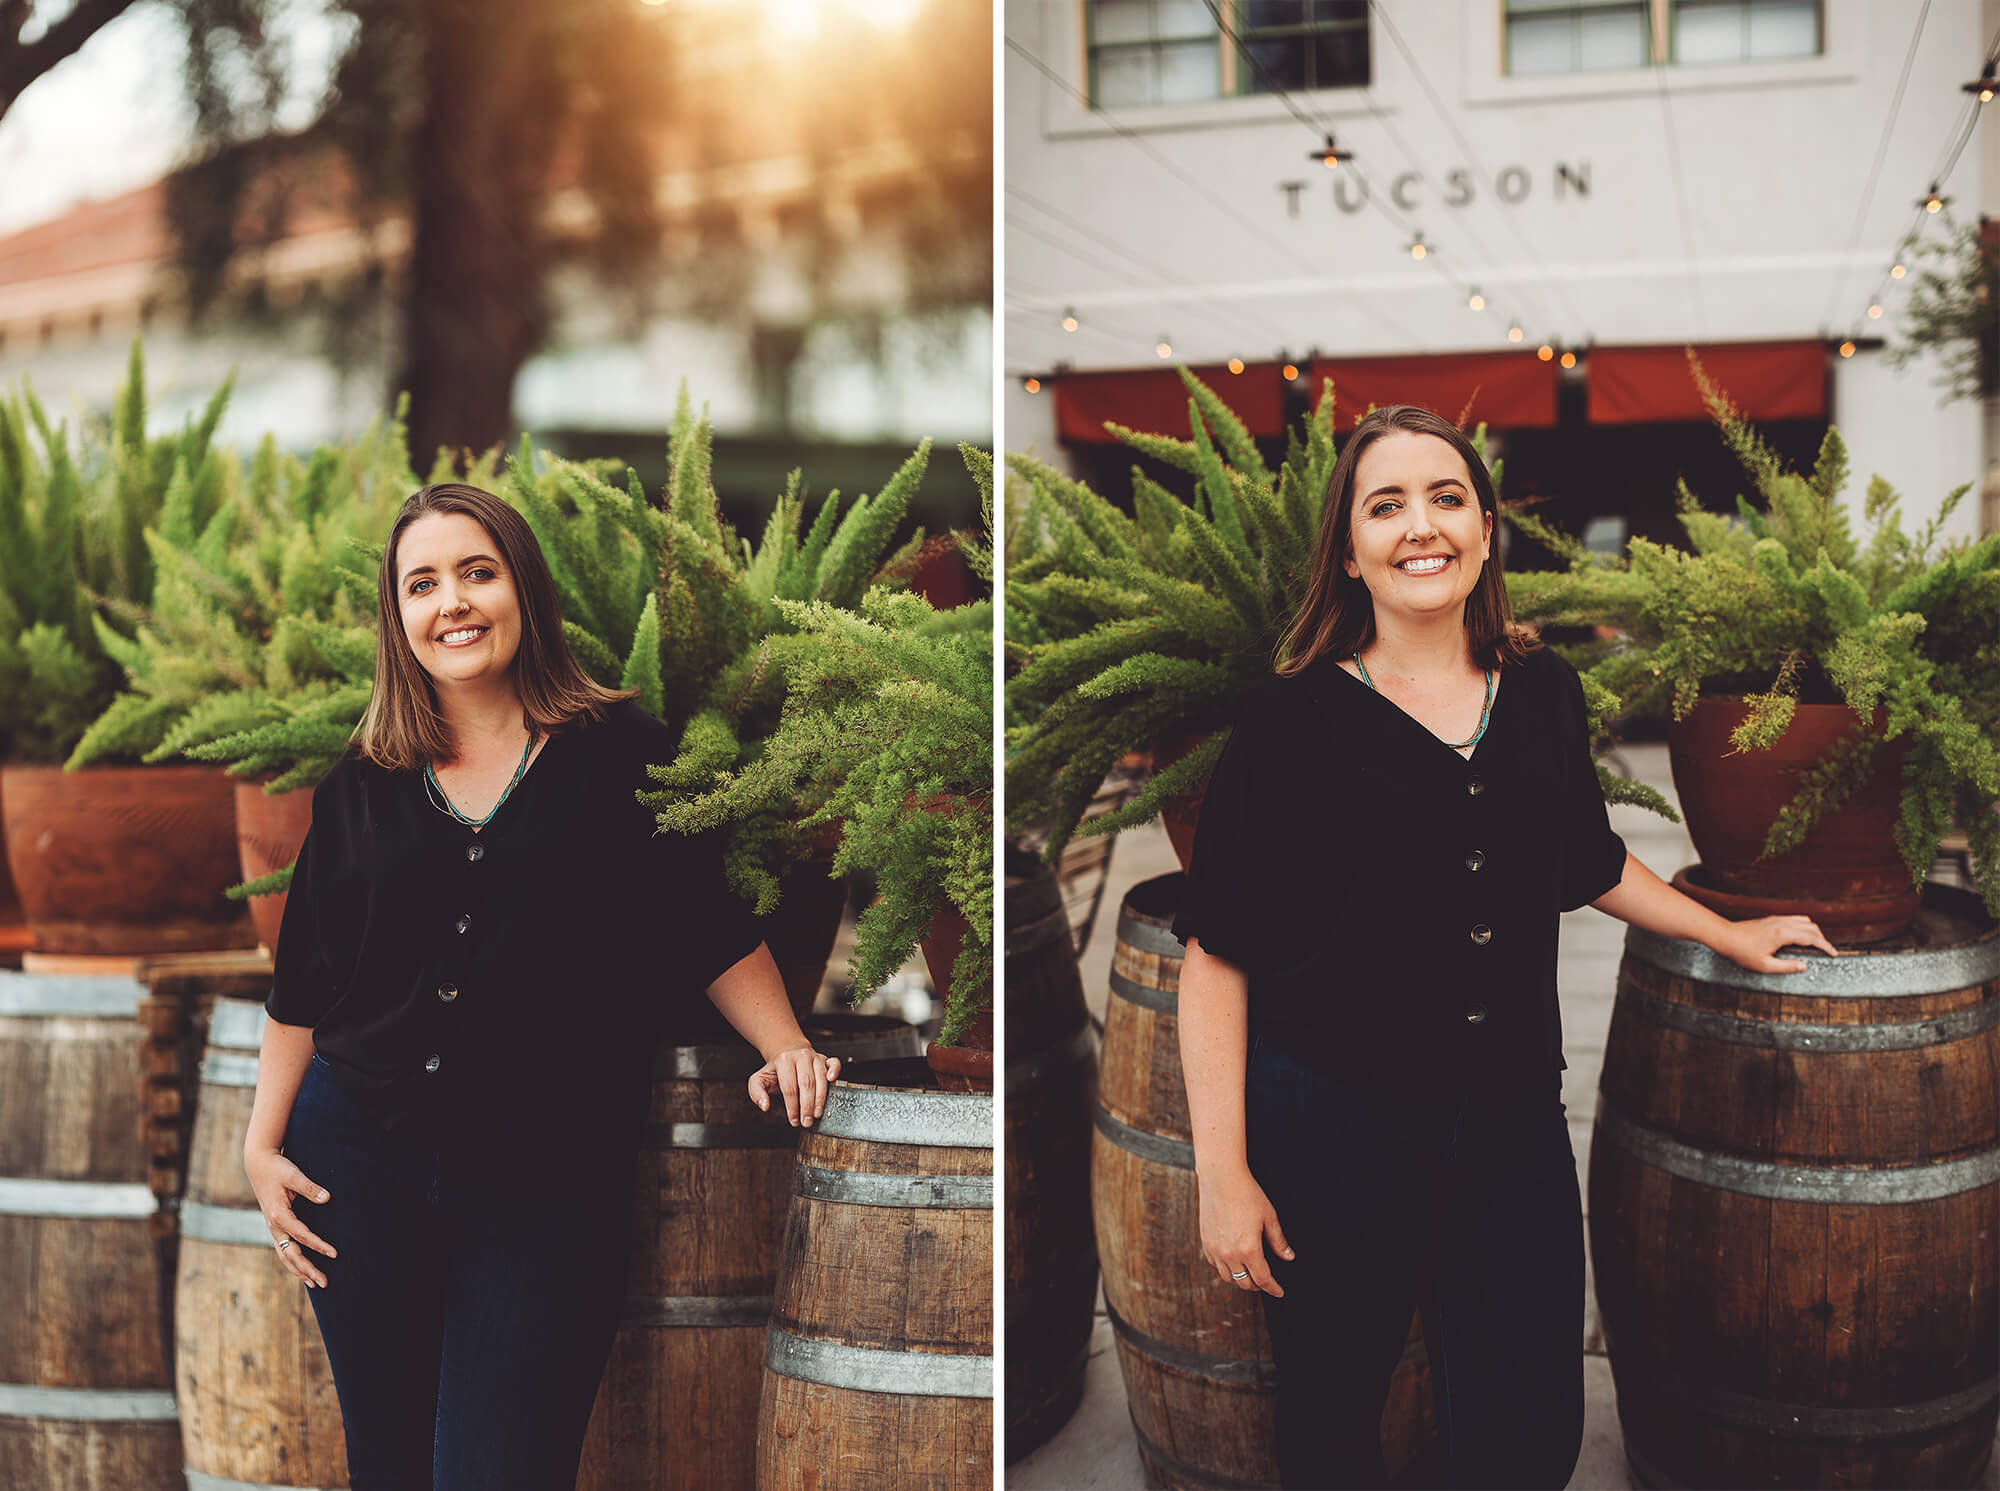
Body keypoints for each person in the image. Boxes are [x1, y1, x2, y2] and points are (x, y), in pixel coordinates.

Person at [1171, 405, 1841, 1491]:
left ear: (1485, 529)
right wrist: (1221, 1174)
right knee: (1332, 1422)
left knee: (1527, 1432)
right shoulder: (1285, 721)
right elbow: (1216, 954)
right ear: (1348, 554)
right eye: (1383, 506)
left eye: (1444, 497)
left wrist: (1725, 927)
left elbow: (1585, 860)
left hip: (1509, 1125)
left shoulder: (1539, 692)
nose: (1418, 526)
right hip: (1333, 1130)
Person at [240, 482, 840, 1490]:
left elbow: (707, 930)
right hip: (360, 1169)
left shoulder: (621, 758)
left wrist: (783, 1041)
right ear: (398, 618)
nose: (453, 603)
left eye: (477, 572)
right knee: (388, 1471)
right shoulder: (360, 787)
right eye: (422, 584)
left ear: (524, 589)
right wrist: (260, 1145)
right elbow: (307, 986)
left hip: (545, 1187)